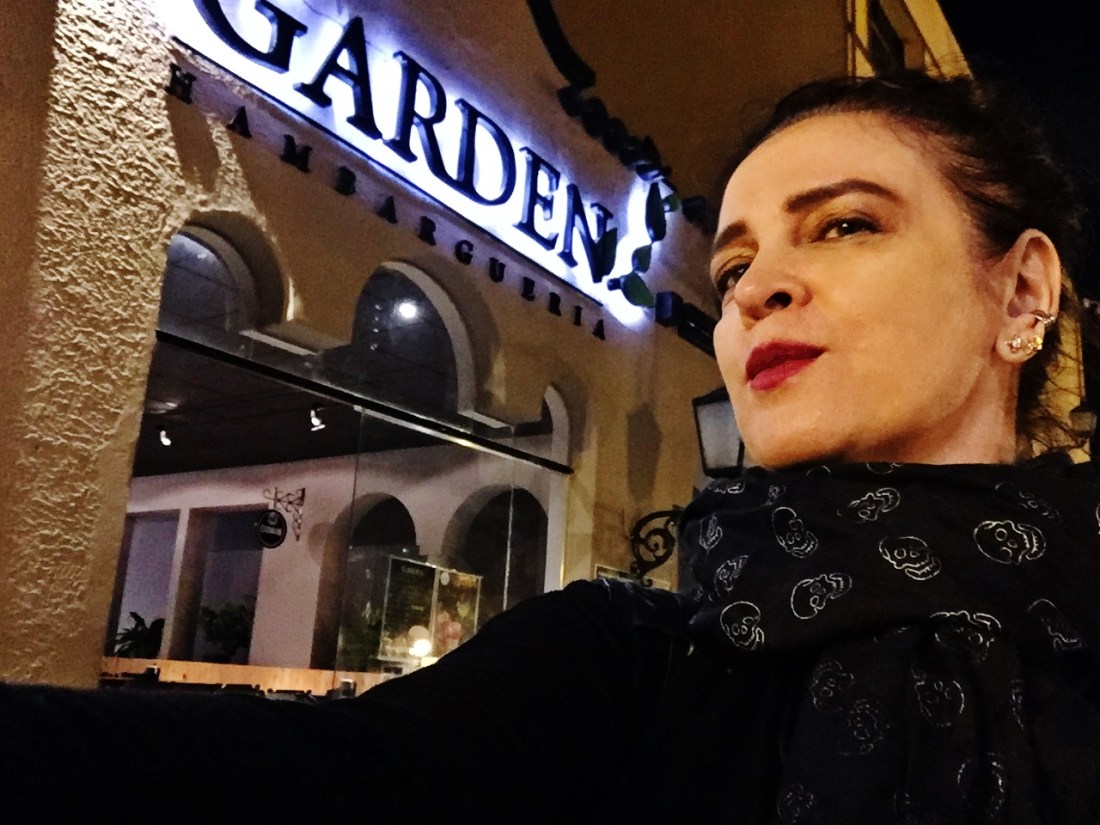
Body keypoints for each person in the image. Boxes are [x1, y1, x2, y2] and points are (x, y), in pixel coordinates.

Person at [3, 70, 1099, 823]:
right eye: (729, 268)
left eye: (845, 224)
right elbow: (332, 781)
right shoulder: (624, 663)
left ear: (1021, 290)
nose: (756, 288)